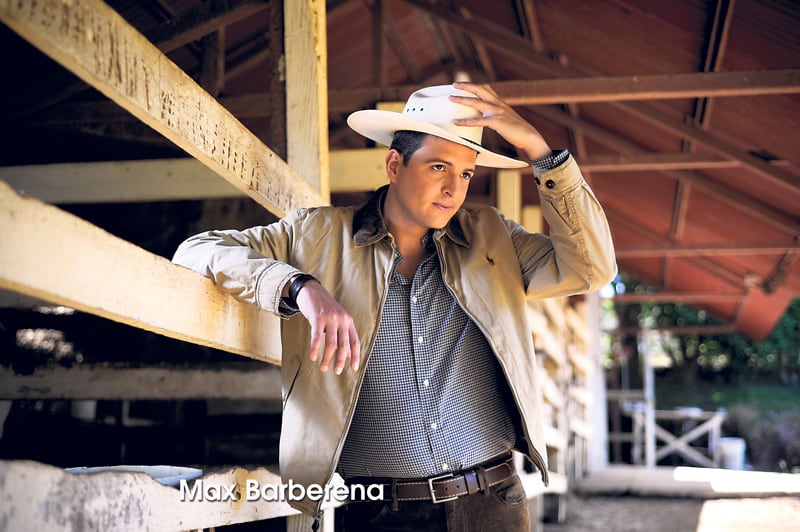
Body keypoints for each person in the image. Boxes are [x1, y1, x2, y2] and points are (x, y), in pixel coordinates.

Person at [172, 81, 617, 531]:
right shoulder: (316, 237)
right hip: (377, 514)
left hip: (493, 506)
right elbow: (196, 251)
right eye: (439, 167)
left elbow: (592, 267)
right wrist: (300, 287)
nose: (453, 188)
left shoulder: (494, 239)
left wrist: (540, 152)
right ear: (394, 164)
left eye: (465, 174)